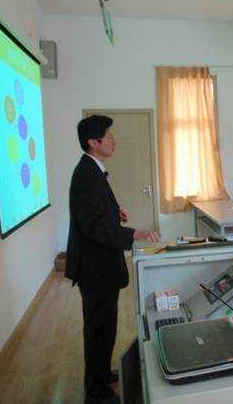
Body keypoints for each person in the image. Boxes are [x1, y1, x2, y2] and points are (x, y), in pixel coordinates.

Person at [66, 115, 160, 404]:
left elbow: (95, 213)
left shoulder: (93, 169)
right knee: (98, 328)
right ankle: (96, 391)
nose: (113, 141)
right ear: (93, 142)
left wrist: (114, 213)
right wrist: (134, 233)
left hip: (101, 265)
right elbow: (92, 226)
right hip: (95, 267)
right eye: (107, 136)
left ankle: (102, 374)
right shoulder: (86, 174)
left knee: (105, 326)